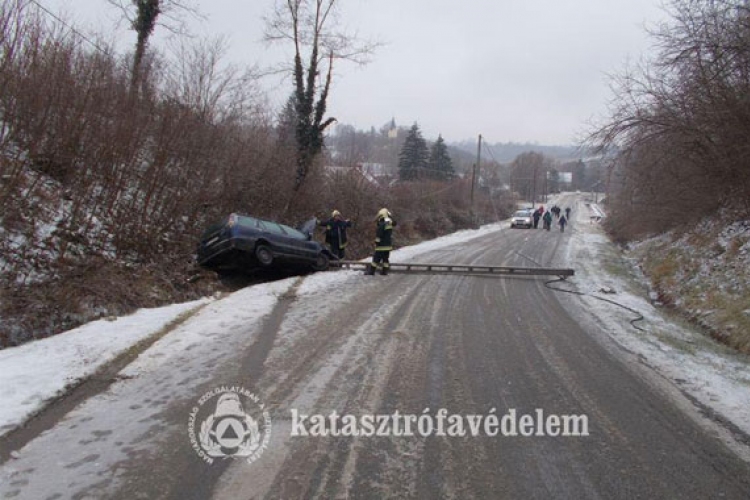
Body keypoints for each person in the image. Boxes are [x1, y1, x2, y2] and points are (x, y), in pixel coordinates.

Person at [365, 208, 396, 276]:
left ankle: (371, 272)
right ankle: (384, 271)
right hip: (388, 245)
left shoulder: (382, 224)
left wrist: (377, 242)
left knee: (376, 259)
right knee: (385, 259)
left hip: (381, 246)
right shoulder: (389, 224)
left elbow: (379, 234)